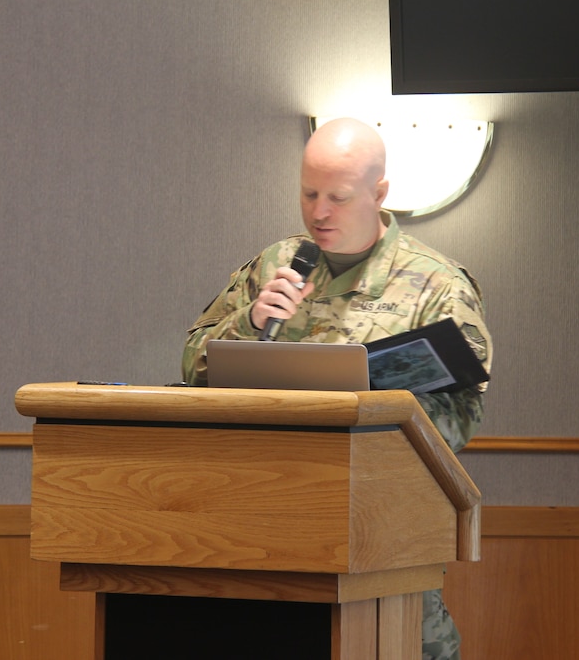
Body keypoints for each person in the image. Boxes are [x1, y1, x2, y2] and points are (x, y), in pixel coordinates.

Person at [181, 117, 492, 660]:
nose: (319, 212)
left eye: (338, 197)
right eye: (309, 194)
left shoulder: (436, 284)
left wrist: (367, 425)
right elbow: (192, 364)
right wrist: (250, 323)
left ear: (379, 193)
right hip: (262, 531)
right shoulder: (275, 265)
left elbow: (463, 411)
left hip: (381, 538)